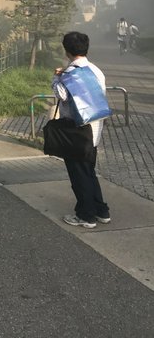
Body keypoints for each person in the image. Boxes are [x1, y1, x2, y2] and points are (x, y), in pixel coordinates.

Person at [52, 31, 110, 229]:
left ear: (66, 50)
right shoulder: (96, 70)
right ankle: (102, 211)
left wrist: (56, 79)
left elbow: (62, 95)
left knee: (79, 175)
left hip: (77, 131)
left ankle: (86, 216)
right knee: (88, 172)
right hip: (94, 130)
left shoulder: (70, 73)